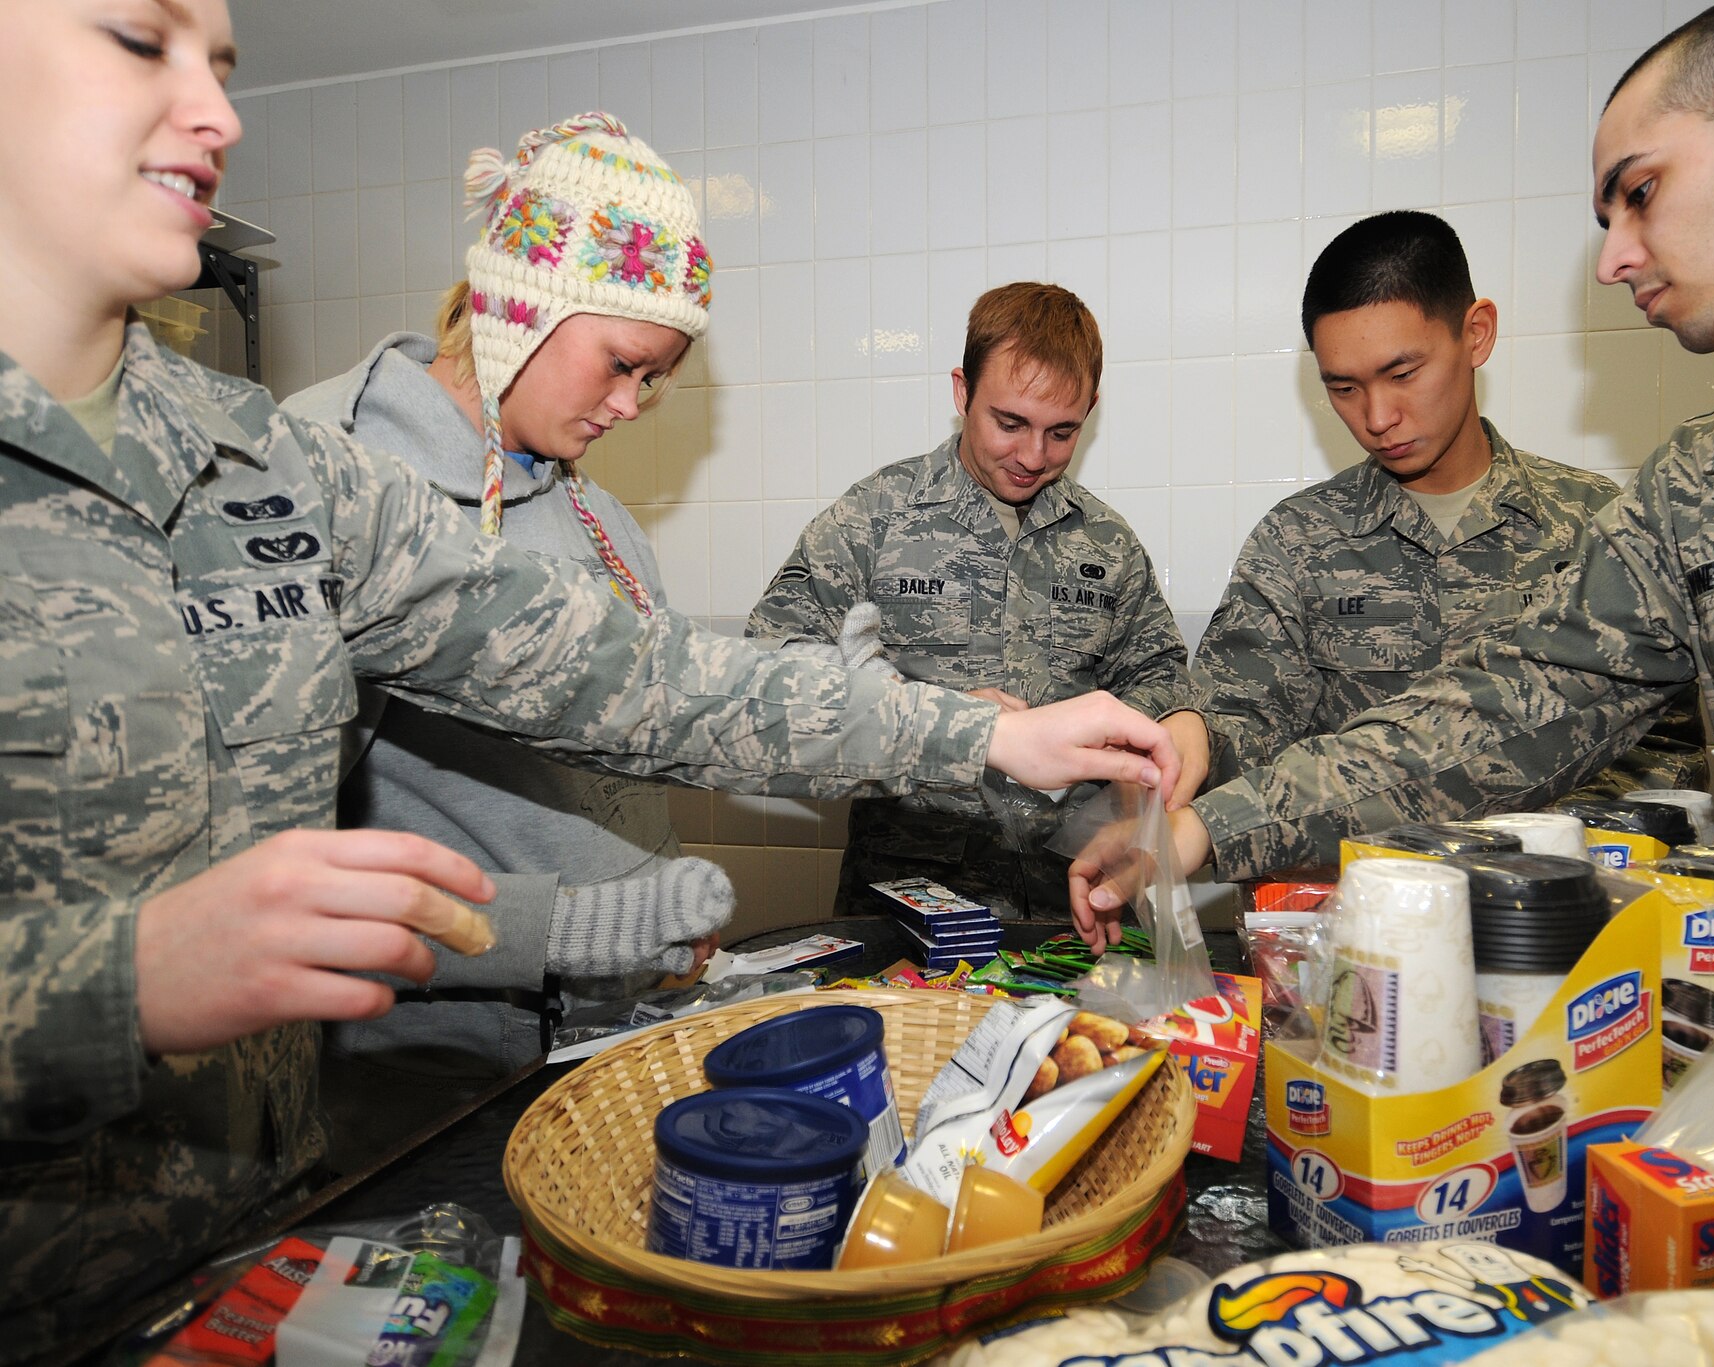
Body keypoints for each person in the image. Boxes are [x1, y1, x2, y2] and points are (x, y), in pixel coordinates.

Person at [0, 3, 1178, 1356]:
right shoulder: (337, 441)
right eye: (139, 40)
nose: (220, 114)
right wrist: (120, 979)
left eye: (222, 62)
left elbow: (648, 681)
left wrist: (978, 736)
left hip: (267, 1227)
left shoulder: (273, 469)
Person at [1074, 0, 1714, 1066]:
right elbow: (1500, 709)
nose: (1612, 258)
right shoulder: (1699, 486)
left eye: (1639, 191)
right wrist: (1201, 826)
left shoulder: (1598, 500)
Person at [284, 116, 735, 1123]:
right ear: (520, 306)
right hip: (440, 1077)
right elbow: (276, 885)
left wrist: (658, 897)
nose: (632, 404)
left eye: (654, 378)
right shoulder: (336, 477)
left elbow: (644, 737)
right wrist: (576, 927)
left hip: (607, 1039)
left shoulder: (595, 511)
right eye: (620, 363)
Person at [1195, 210, 1704, 801]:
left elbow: (1665, 747)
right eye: (1344, 388)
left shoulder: (1599, 524)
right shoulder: (1296, 541)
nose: (1377, 417)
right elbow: (1238, 730)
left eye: (1403, 373)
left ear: (1477, 334)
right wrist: (1194, 738)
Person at [746, 283, 1206, 919]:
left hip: (1073, 903)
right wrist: (940, 715)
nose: (1033, 456)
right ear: (962, 393)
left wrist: (1166, 732)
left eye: (1062, 431)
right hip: (914, 907)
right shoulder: (874, 519)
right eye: (1009, 423)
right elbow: (771, 666)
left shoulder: (1106, 540)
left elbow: (1159, 674)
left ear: (1091, 411)